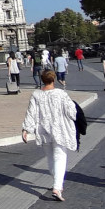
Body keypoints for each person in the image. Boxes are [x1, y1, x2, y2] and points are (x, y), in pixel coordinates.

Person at [21, 69, 78, 201]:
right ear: (53, 79)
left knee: (50, 157)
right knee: (60, 157)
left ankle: (56, 183)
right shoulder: (61, 94)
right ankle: (57, 187)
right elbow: (71, 112)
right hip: (59, 129)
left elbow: (31, 112)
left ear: (42, 79)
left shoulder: (36, 94)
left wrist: (26, 129)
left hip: (43, 129)